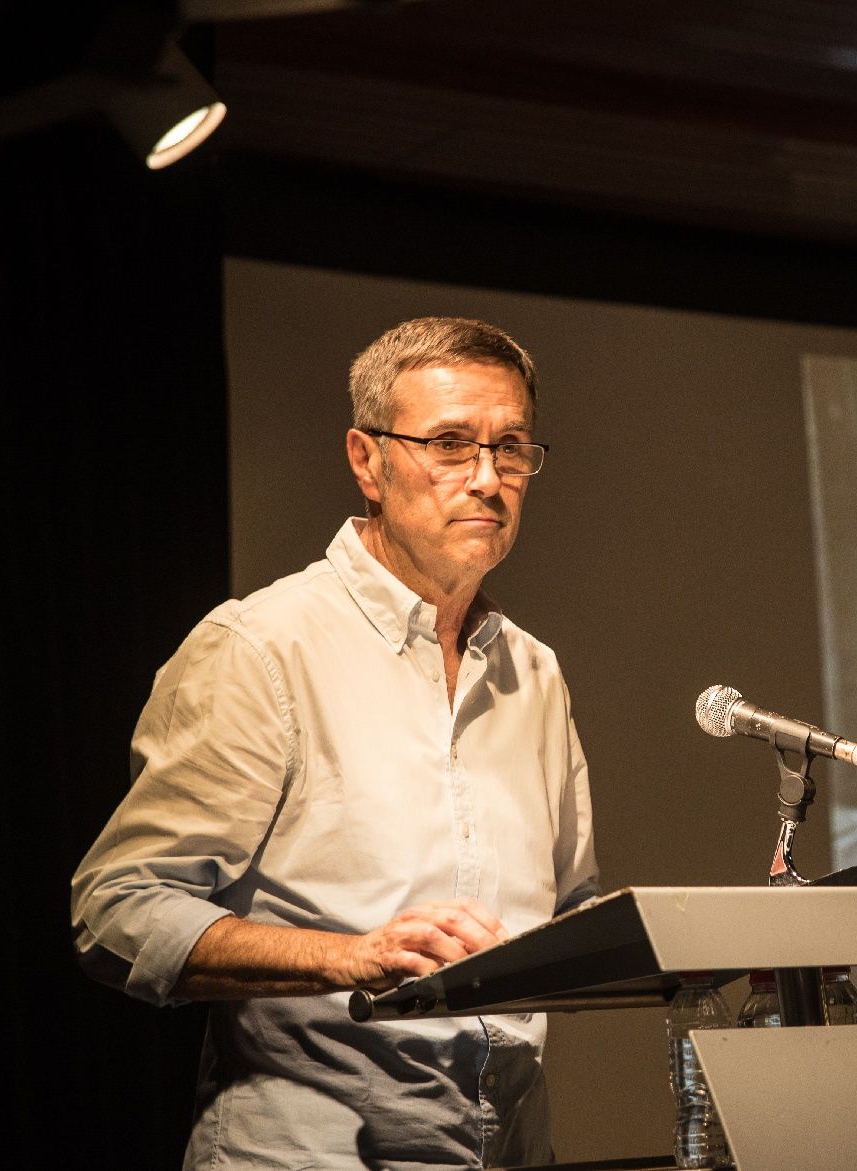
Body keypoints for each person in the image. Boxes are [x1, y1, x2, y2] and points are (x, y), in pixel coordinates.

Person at [71, 316, 599, 1170]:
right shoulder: (261, 647)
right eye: (451, 444)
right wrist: (347, 957)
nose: (488, 479)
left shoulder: (534, 674)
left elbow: (568, 914)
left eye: (511, 448)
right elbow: (117, 909)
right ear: (367, 460)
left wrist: (706, 942)